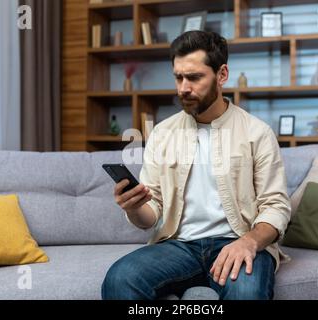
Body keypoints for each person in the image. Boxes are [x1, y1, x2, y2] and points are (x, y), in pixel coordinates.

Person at [101, 30, 291, 300]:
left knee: (247, 293)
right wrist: (134, 208)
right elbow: (151, 211)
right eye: (178, 77)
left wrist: (249, 242)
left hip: (236, 240)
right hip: (177, 245)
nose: (183, 88)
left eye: (194, 77)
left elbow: (276, 207)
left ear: (222, 75)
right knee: (120, 279)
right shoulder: (162, 133)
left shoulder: (256, 133)